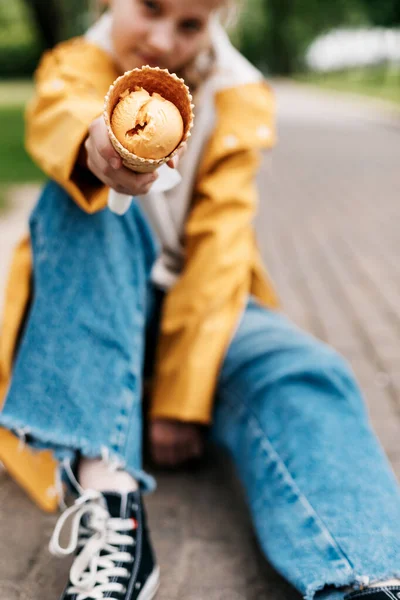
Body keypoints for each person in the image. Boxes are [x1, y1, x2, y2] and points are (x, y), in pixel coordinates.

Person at [1, 1, 400, 599]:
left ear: (218, 22)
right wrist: (94, 144)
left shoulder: (236, 96)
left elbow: (220, 248)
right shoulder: (76, 64)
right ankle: (111, 503)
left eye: (189, 24)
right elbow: (59, 110)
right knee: (77, 201)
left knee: (306, 371)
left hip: (201, 311)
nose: (163, 39)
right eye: (151, 7)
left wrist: (182, 397)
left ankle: (365, 574)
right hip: (92, 306)